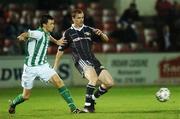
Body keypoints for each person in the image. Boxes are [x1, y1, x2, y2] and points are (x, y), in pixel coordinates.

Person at [8, 14, 82, 114]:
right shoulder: (38, 33)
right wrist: (21, 36)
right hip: (29, 68)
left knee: (59, 82)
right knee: (25, 96)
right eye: (51, 24)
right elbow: (26, 34)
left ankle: (73, 108)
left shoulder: (46, 33)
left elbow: (48, 37)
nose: (53, 25)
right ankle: (13, 104)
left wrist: (56, 42)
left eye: (53, 23)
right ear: (44, 25)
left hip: (43, 65)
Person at [54, 9, 114, 113]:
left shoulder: (89, 29)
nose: (81, 20)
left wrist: (102, 34)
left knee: (109, 83)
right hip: (81, 60)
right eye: (78, 18)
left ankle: (92, 99)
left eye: (82, 17)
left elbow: (106, 40)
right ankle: (87, 107)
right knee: (93, 78)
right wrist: (55, 66)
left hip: (93, 60)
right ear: (73, 19)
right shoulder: (68, 33)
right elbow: (60, 50)